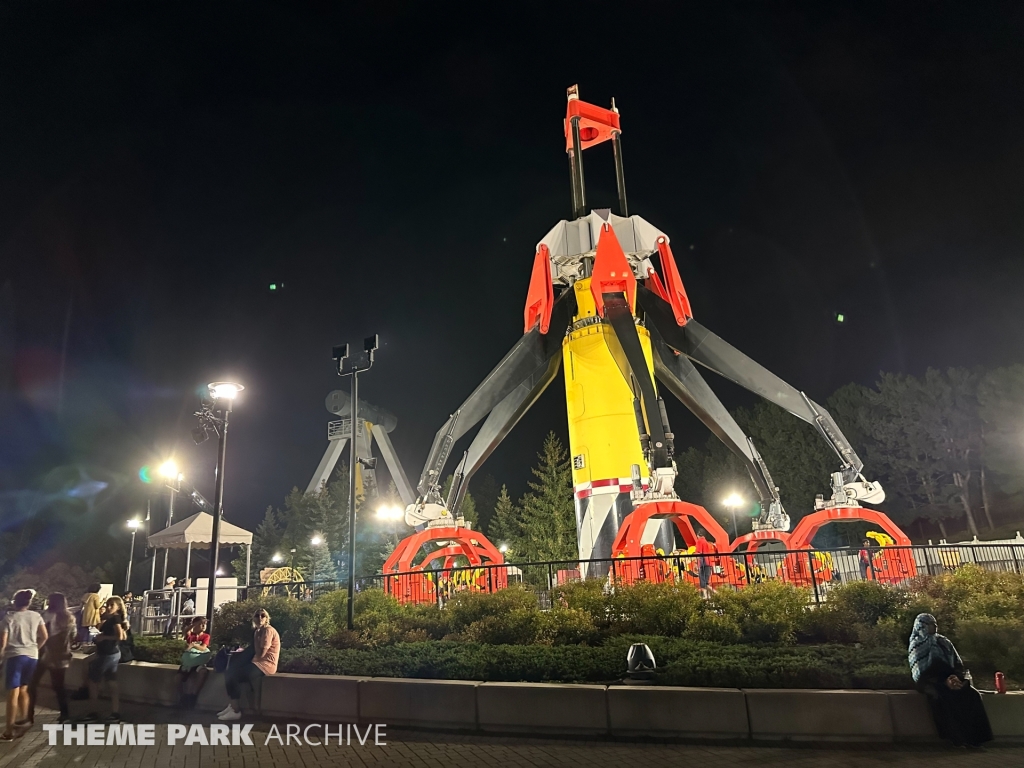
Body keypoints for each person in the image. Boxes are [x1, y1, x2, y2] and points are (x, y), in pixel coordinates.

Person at [909, 613, 992, 748]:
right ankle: (956, 739)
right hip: (932, 682)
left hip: (952, 679)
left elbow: (958, 664)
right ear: (922, 626)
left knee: (972, 695)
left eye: (935, 624)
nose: (934, 627)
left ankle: (977, 738)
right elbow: (920, 673)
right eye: (930, 624)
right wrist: (944, 683)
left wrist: (956, 678)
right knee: (944, 698)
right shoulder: (917, 644)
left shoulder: (944, 642)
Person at [0, 590, 47, 740]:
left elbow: (3, 642)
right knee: (24, 689)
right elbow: (44, 636)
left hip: (15, 656)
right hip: (32, 656)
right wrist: (35, 648)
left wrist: (1, 656)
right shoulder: (36, 616)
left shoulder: (9, 618)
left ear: (15, 602)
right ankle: (24, 719)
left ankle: (9, 730)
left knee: (13, 692)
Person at [218, 608, 279, 721]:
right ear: (253, 618)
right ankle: (232, 705)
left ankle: (236, 711)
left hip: (266, 665)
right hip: (256, 663)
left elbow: (261, 654)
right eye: (257, 615)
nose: (260, 618)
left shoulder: (267, 631)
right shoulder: (258, 631)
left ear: (267, 619)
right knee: (229, 672)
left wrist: (256, 638)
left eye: (263, 616)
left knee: (233, 676)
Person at [28, 593, 76, 724]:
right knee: (59, 686)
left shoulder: (47, 615)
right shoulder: (69, 617)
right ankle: (65, 714)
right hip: (62, 656)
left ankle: (29, 714)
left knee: (32, 684)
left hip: (45, 654)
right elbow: (73, 636)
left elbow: (42, 635)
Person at [86, 596, 128, 722]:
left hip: (107, 654)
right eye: (108, 605)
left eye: (112, 605)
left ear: (118, 607)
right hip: (112, 653)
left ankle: (93, 712)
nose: (109, 607)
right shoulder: (114, 618)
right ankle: (115, 712)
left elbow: (120, 636)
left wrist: (103, 638)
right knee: (111, 682)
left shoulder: (115, 618)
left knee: (93, 682)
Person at [177, 616, 212, 709]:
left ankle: (193, 696)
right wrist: (193, 624)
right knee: (177, 678)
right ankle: (182, 698)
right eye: (201, 624)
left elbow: (203, 647)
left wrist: (193, 645)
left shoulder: (206, 636)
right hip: (188, 664)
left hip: (198, 663)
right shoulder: (190, 635)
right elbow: (185, 631)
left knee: (203, 672)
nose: (203, 626)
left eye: (205, 624)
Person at [694, 532, 715, 598]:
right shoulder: (707, 543)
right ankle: (712, 596)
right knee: (706, 582)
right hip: (708, 562)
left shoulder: (699, 541)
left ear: (698, 536)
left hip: (702, 563)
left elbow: (699, 552)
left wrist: (696, 563)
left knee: (703, 583)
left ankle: (706, 598)